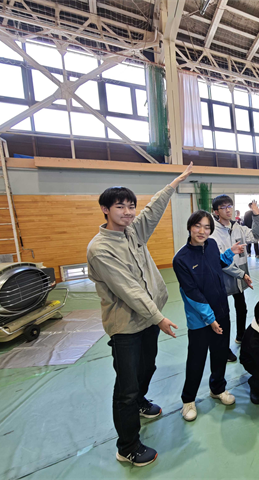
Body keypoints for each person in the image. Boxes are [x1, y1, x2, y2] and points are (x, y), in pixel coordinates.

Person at [87, 163, 192, 467]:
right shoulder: (100, 249)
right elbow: (129, 290)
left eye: (130, 206)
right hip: (125, 327)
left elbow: (151, 211)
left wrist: (172, 186)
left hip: (147, 320)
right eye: (120, 206)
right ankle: (127, 446)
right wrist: (159, 317)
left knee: (147, 367)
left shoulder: (132, 231)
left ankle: (140, 402)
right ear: (105, 209)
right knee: (126, 387)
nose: (128, 212)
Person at [173, 210, 246, 423]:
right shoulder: (181, 259)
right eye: (197, 226)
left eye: (206, 227)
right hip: (200, 320)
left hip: (221, 312)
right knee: (196, 359)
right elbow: (192, 293)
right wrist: (210, 319)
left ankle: (217, 389)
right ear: (189, 227)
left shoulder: (212, 245)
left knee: (219, 353)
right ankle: (188, 400)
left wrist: (230, 253)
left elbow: (217, 263)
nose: (202, 231)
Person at [211, 195, 259, 355]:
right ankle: (223, 348)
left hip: (239, 279)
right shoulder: (213, 232)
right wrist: (240, 273)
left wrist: (256, 216)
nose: (228, 210)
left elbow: (256, 236)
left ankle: (241, 336)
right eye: (223, 207)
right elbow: (220, 260)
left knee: (242, 307)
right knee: (223, 315)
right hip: (222, 279)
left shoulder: (238, 227)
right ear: (216, 211)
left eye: (230, 206)